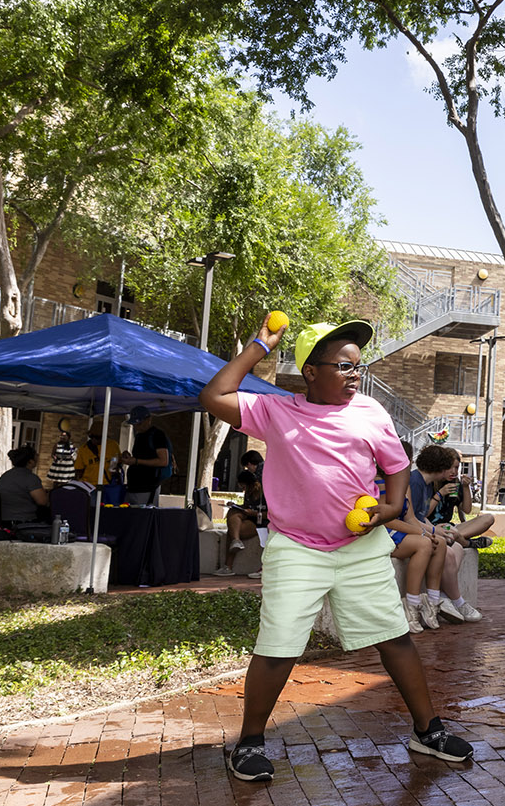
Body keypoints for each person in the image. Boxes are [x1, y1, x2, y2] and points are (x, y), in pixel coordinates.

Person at [199, 316, 473, 782]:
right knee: (279, 646)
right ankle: (248, 743)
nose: (354, 376)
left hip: (360, 546)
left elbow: (395, 465)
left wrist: (390, 508)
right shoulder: (276, 411)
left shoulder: (370, 412)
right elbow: (213, 396)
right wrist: (258, 347)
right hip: (297, 549)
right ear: (311, 371)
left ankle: (428, 731)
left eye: (358, 368)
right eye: (344, 367)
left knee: (395, 637)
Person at [408, 444, 490, 623]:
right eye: (450, 467)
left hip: (438, 528)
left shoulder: (427, 481)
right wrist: (434, 529)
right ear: (440, 467)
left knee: (457, 547)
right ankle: (455, 601)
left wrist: (466, 488)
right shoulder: (418, 482)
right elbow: (413, 517)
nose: (453, 471)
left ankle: (445, 597)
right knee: (450, 549)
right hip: (418, 531)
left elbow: (466, 510)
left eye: (456, 467)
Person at [387, 443, 450, 633]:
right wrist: (422, 534)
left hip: (404, 529)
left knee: (439, 542)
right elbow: (387, 521)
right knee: (424, 544)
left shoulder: (404, 483)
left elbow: (411, 517)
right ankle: (411, 605)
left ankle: (432, 601)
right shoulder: (381, 482)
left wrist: (428, 533)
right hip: (387, 533)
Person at [215, 469, 267, 577]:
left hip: (261, 522)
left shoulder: (265, 492)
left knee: (232, 531)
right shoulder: (249, 492)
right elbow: (247, 506)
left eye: (244, 487)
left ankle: (228, 566)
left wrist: (254, 513)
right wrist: (237, 505)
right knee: (233, 512)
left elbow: (271, 513)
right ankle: (236, 541)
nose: (243, 490)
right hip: (250, 518)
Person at [120, 405, 172, 506]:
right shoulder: (139, 435)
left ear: (149, 419)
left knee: (142, 517)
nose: (136, 427)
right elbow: (141, 456)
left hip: (148, 487)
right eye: (134, 424)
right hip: (133, 486)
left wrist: (136, 461)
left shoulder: (157, 435)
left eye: (139, 423)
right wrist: (129, 457)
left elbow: (163, 461)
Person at [0, 445, 50, 526]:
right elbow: (42, 502)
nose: (38, 456)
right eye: (36, 455)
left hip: (3, 520)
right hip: (25, 521)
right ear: (30, 461)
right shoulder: (31, 478)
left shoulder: (5, 476)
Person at [47, 422, 77, 487]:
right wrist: (54, 457)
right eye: (61, 436)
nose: (62, 437)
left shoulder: (71, 445)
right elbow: (52, 454)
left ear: (68, 437)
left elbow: (74, 455)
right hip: (58, 465)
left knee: (65, 482)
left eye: (64, 436)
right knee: (56, 481)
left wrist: (73, 459)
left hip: (67, 466)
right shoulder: (57, 444)